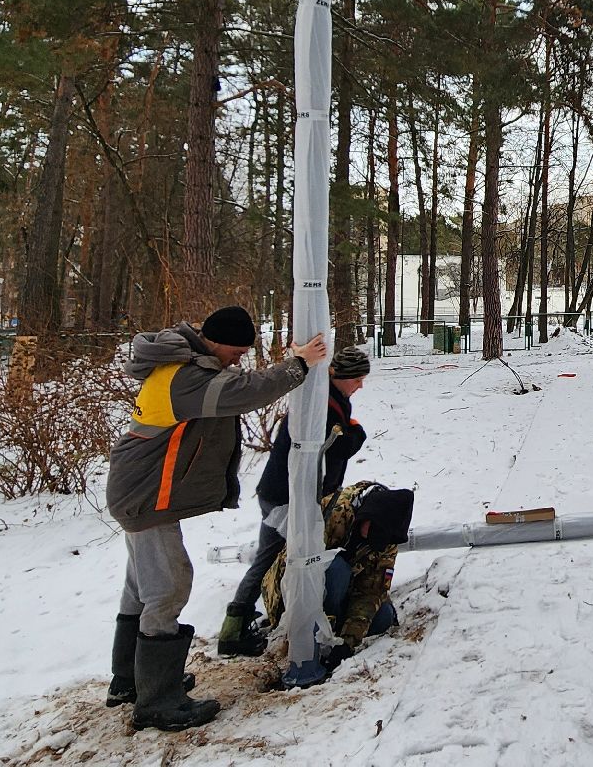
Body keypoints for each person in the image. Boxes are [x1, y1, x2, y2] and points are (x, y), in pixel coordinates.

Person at [104, 306, 326, 732]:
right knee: (167, 587)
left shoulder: (186, 366)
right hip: (146, 495)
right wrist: (298, 364)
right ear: (217, 341)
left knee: (141, 588)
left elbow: (235, 383)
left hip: (140, 490)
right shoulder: (185, 377)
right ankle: (158, 702)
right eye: (238, 350)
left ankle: (131, 680)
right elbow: (244, 390)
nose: (239, 358)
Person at [218, 344, 372, 656]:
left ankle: (236, 624)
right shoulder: (324, 403)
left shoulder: (325, 395)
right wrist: (357, 433)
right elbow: (340, 445)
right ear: (344, 377)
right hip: (288, 497)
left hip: (281, 492)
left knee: (270, 556)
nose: (360, 386)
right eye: (358, 379)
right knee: (308, 557)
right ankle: (303, 620)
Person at [259, 478, 414, 687]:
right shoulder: (335, 512)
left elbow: (371, 591)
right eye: (374, 533)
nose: (374, 540)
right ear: (368, 517)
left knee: (382, 616)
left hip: (342, 593)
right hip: (293, 590)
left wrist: (347, 644)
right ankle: (316, 645)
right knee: (337, 567)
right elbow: (299, 569)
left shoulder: (387, 539)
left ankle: (333, 640)